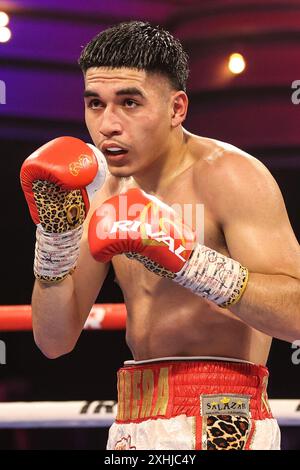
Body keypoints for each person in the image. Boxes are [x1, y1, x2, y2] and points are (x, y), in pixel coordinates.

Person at [20, 21, 300, 450]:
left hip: (222, 418)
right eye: (95, 104)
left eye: (129, 103)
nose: (107, 124)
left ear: (176, 108)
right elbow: (53, 340)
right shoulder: (102, 192)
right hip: (134, 417)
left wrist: (191, 263)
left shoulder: (231, 177)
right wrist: (55, 240)